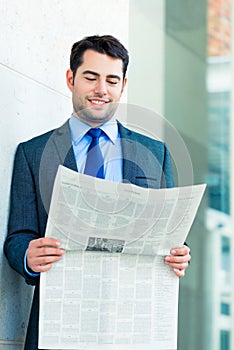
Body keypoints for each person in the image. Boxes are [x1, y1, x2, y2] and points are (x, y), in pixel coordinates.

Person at [4, 35, 191, 350]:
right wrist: (27, 254)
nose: (101, 89)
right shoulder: (33, 153)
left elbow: (169, 235)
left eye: (111, 80)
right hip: (59, 322)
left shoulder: (155, 153)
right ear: (71, 79)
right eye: (91, 77)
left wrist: (178, 253)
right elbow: (18, 236)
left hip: (134, 323)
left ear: (123, 85)